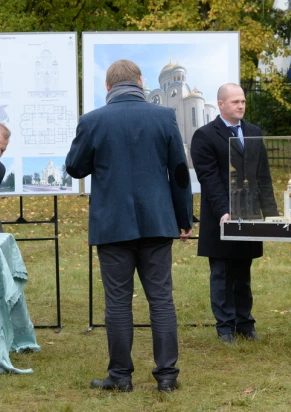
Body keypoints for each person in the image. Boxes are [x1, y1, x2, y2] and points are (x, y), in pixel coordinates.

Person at [65, 59, 193, 392]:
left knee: (118, 302)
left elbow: (75, 168)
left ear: (108, 87)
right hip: (158, 221)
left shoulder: (92, 121)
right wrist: (184, 219)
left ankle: (121, 377)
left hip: (112, 224)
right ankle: (167, 376)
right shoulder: (164, 116)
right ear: (140, 81)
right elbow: (180, 173)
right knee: (161, 300)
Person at [190, 83, 278, 345]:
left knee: (243, 270)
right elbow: (209, 180)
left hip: (249, 214)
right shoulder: (205, 135)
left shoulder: (253, 133)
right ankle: (225, 327)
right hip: (221, 217)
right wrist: (224, 212)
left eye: (243, 101)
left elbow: (263, 177)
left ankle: (244, 323)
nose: (241, 105)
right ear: (220, 104)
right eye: (235, 102)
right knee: (222, 272)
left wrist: (271, 215)